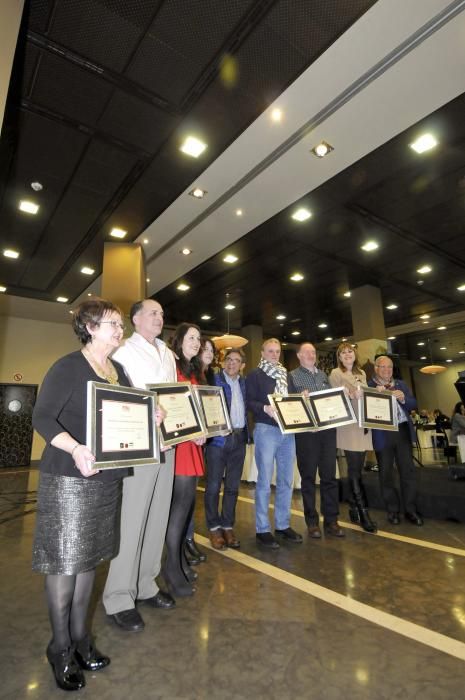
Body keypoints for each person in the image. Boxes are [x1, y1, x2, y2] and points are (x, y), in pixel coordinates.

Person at [32, 299, 129, 691]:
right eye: (113, 323)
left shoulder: (117, 371)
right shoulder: (68, 366)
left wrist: (150, 416)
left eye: (121, 324)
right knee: (65, 564)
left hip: (104, 480)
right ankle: (59, 646)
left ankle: (81, 639)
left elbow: (126, 413)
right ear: (90, 326)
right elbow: (42, 417)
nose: (119, 329)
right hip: (69, 479)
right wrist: (75, 448)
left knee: (89, 559)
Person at [103, 299, 177, 633]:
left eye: (162, 313)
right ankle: (119, 596)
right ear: (135, 319)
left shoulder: (167, 353)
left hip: (168, 443)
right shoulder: (123, 353)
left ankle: (146, 585)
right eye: (153, 313)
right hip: (140, 445)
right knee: (132, 520)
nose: (160, 318)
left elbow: (174, 397)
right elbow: (118, 398)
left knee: (158, 517)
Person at [246, 338, 302, 548]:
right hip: (266, 429)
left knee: (287, 480)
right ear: (262, 353)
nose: (274, 355)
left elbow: (293, 399)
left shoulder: (285, 374)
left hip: (288, 431)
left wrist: (301, 398)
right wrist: (264, 408)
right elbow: (249, 400)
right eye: (270, 351)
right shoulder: (255, 374)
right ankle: (262, 529)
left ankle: (282, 524)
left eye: (277, 351)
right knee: (264, 481)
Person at [163, 324, 205, 595]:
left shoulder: (193, 369)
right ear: (178, 341)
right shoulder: (172, 365)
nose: (197, 342)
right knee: (178, 509)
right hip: (179, 445)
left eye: (199, 338)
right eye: (191, 338)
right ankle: (171, 567)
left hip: (194, 443)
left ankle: (178, 560)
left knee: (186, 507)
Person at [288, 343, 344, 539]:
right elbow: (289, 404)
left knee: (329, 477)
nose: (311, 355)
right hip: (306, 435)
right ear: (299, 355)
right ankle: (312, 522)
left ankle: (331, 520)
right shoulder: (293, 376)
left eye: (313, 352)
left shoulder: (324, 376)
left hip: (327, 432)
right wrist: (298, 398)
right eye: (307, 352)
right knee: (309, 478)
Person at [368, 355, 423, 526]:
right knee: (386, 474)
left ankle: (410, 510)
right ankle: (392, 511)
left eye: (389, 367)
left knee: (408, 473)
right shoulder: (369, 386)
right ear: (376, 368)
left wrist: (403, 399)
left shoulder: (401, 384)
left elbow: (413, 404)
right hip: (382, 434)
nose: (386, 370)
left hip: (402, 432)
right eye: (382, 367)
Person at [329, 343, 377, 533]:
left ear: (354, 354)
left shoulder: (362, 374)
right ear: (339, 357)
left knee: (356, 470)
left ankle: (352, 507)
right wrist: (349, 395)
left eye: (350, 351)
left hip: (363, 426)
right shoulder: (335, 374)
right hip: (348, 426)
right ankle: (364, 513)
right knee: (355, 471)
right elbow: (334, 399)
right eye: (343, 353)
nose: (347, 354)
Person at [204, 348, 247, 549]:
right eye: (228, 359)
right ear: (223, 362)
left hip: (239, 439)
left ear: (242, 365)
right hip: (218, 441)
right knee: (213, 486)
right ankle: (214, 528)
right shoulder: (213, 380)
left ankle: (227, 525)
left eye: (236, 360)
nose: (231, 363)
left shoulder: (245, 383)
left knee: (232, 487)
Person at [184, 337, 216, 565]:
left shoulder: (208, 375)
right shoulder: (190, 372)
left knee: (191, 495)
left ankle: (188, 538)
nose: (207, 352)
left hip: (201, 441)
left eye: (211, 349)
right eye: (203, 348)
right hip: (186, 441)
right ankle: (184, 541)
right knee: (184, 497)